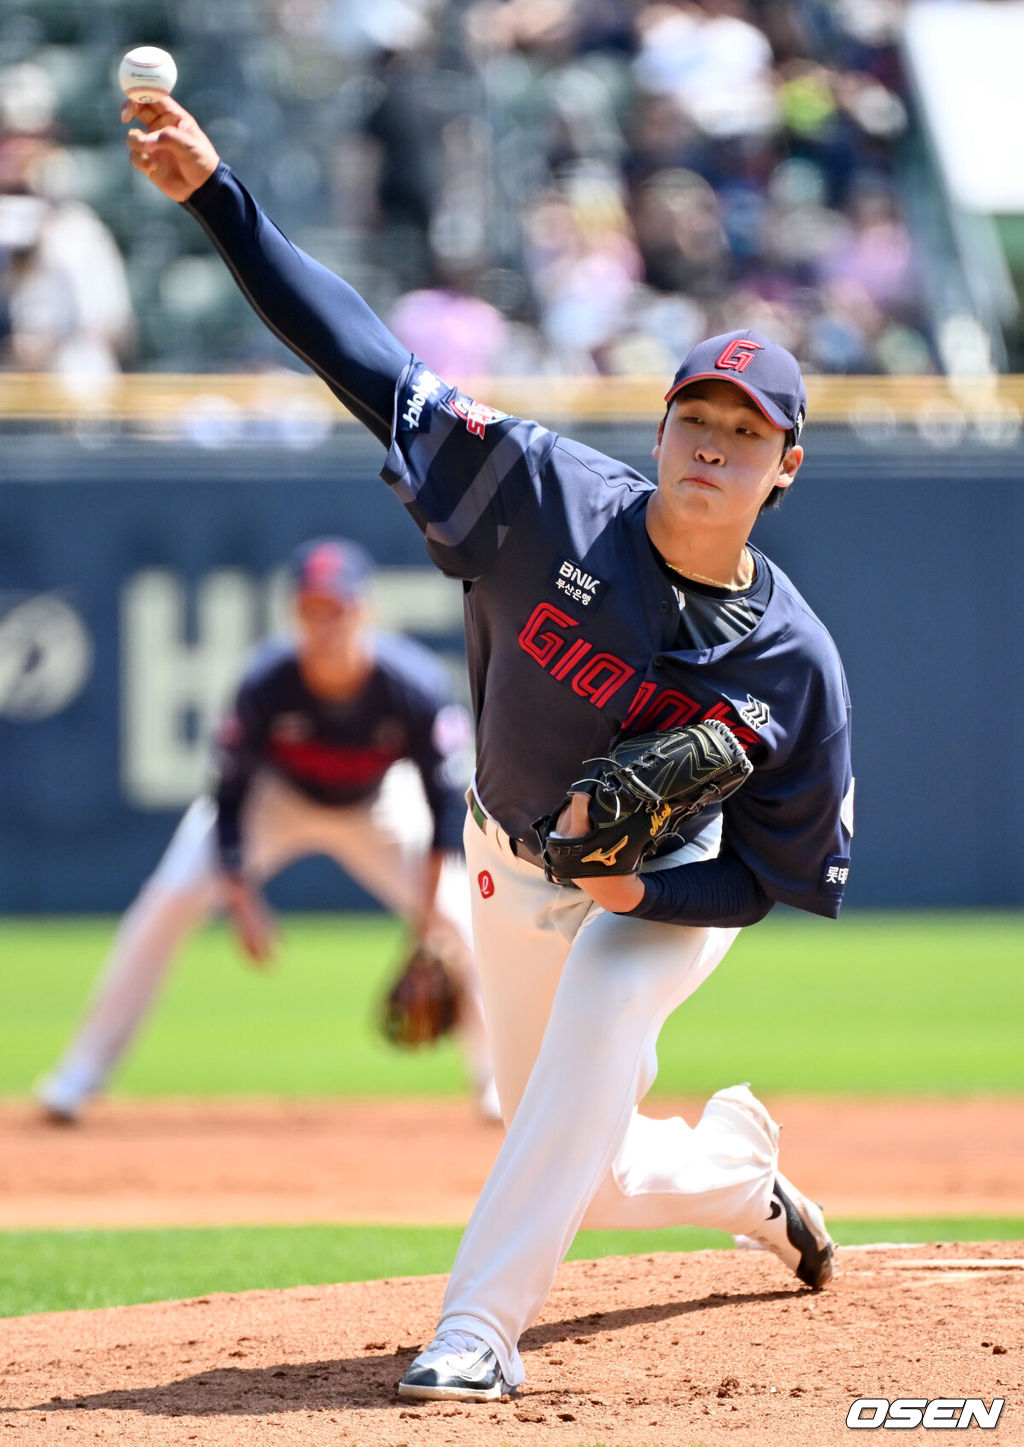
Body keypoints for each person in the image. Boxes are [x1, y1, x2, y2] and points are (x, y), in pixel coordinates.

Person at [118, 93, 854, 1403]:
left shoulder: (791, 665)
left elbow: (773, 874)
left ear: (785, 467)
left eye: (746, 433)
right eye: (699, 415)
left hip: (664, 886)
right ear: (663, 424)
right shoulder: (537, 497)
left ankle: (476, 1329)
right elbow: (364, 362)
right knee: (599, 1158)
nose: (713, 444)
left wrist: (653, 891)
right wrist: (218, 196)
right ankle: (746, 1177)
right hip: (507, 853)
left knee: (608, 1004)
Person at [36, 536, 499, 1125]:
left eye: (338, 608)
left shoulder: (412, 684)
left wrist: (424, 915)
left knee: (462, 919)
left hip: (379, 803)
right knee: (167, 901)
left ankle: (494, 1081)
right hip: (273, 801)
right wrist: (239, 894)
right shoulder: (267, 680)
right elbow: (228, 795)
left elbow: (442, 807)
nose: (326, 622)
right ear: (295, 613)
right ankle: (79, 1074)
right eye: (313, 609)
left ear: (365, 611)